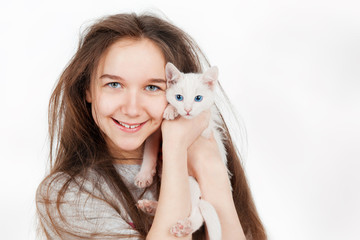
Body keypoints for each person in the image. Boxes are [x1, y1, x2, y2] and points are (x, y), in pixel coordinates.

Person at [36, 12, 267, 240]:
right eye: (114, 84)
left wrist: (211, 168)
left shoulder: (207, 159)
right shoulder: (68, 194)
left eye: (152, 88)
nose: (132, 108)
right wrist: (175, 146)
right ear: (87, 89)